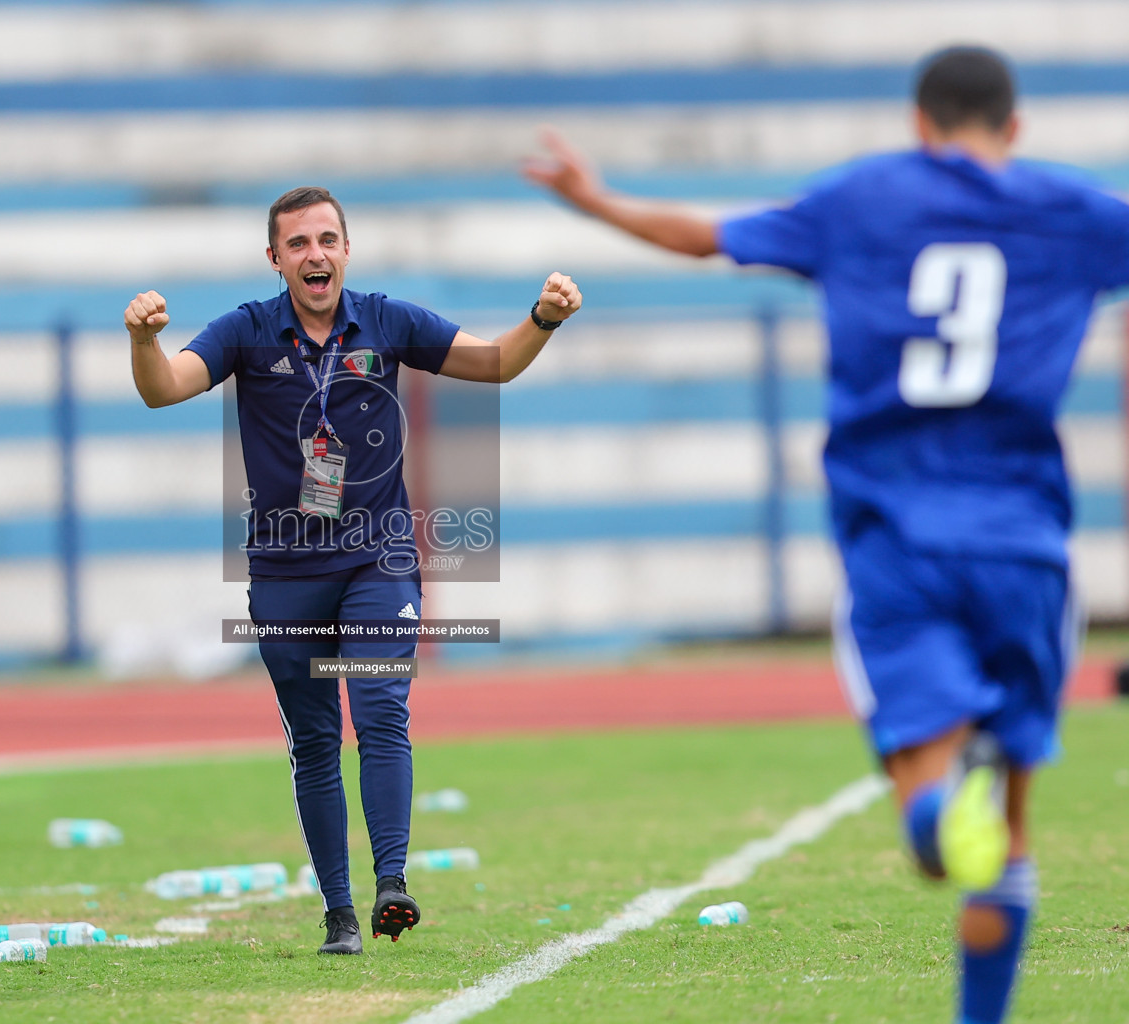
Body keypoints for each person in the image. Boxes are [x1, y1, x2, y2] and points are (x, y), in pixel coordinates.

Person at [523, 45, 1126, 1024]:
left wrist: (597, 202)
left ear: (919, 122)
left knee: (932, 801)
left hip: (898, 538)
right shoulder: (1077, 212)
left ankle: (935, 808)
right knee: (1006, 834)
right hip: (1026, 542)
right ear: (1013, 130)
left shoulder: (862, 200)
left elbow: (708, 235)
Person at [126, 186, 581, 954]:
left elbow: (496, 363)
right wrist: (144, 340)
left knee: (379, 708)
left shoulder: (389, 321)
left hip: (379, 561)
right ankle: (339, 914)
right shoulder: (245, 331)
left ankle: (392, 882)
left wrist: (543, 319)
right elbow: (163, 388)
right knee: (312, 739)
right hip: (285, 571)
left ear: (347, 250)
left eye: (328, 240)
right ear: (276, 259)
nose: (316, 255)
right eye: (299, 243)